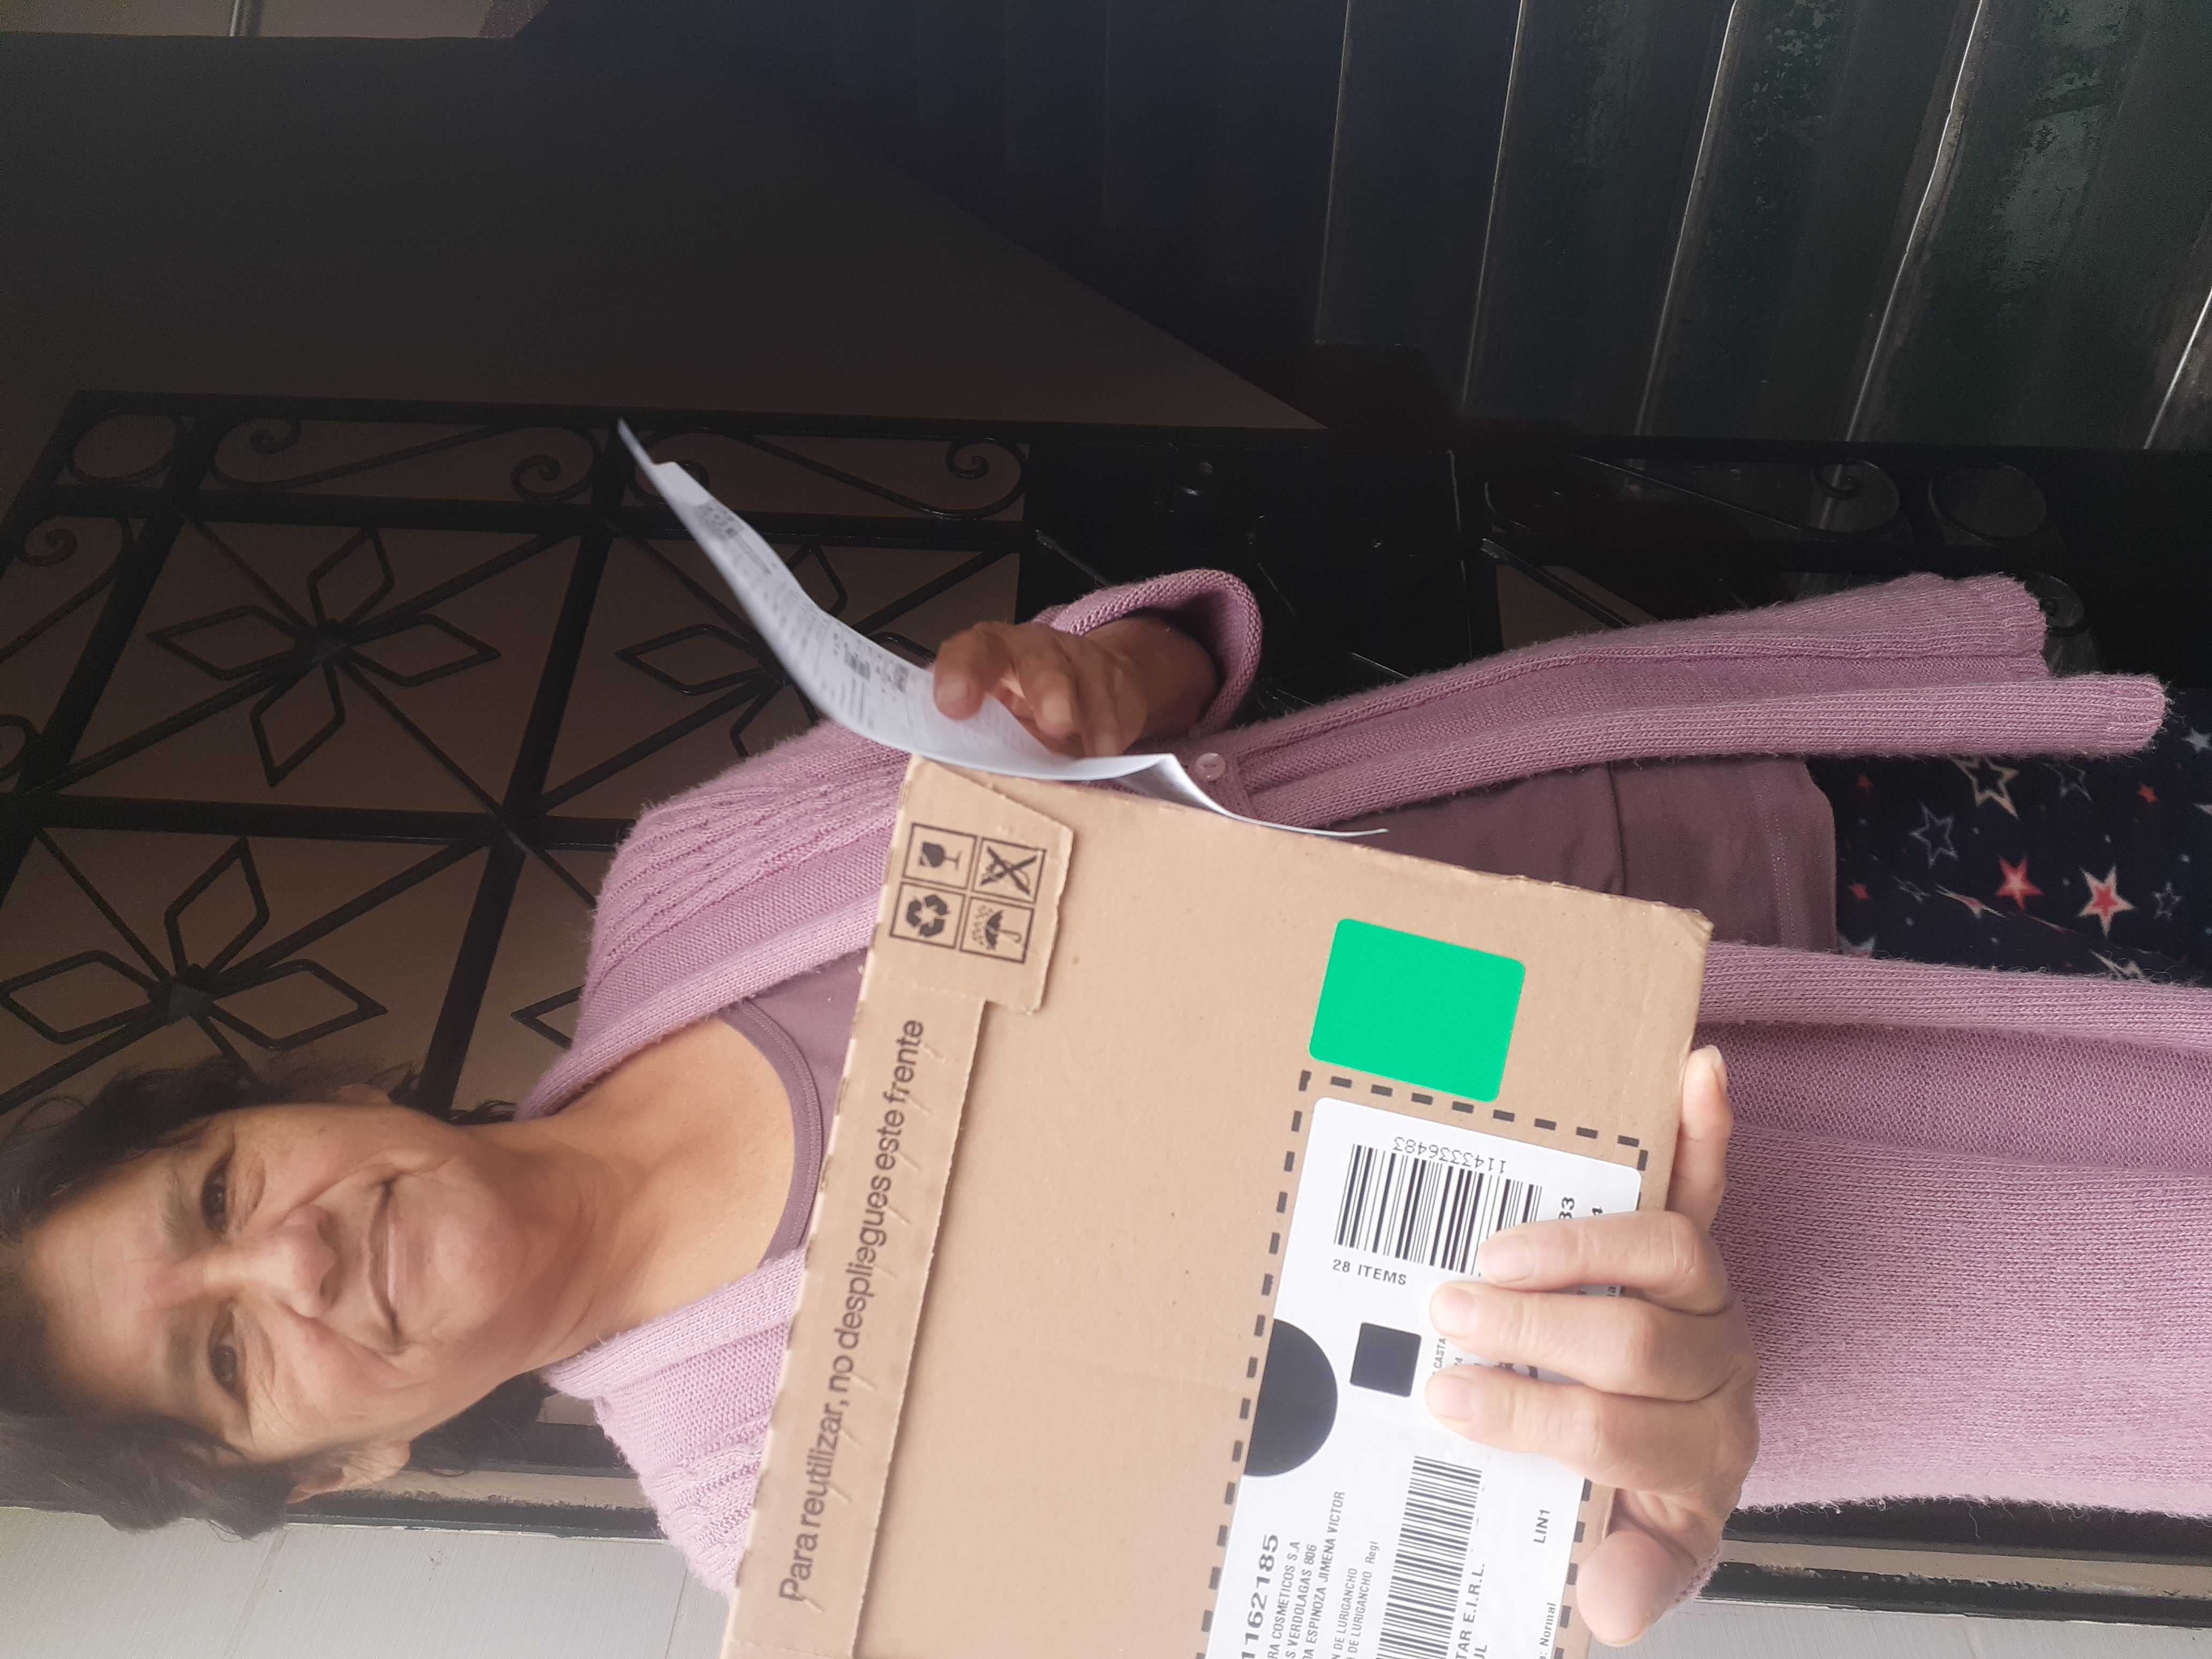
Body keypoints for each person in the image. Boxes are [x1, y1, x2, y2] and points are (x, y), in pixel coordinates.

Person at [3, 567, 2207, 1647]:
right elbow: (1398, 1577)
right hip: (1923, 1203)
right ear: (353, 1465)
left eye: (217, 1190)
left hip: (1772, 797)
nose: (288, 1254)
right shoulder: (788, 1514)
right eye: (228, 1358)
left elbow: (1159, 692)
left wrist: (1106, 673)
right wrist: (1615, 1527)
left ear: (320, 1089)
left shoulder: (686, 883)